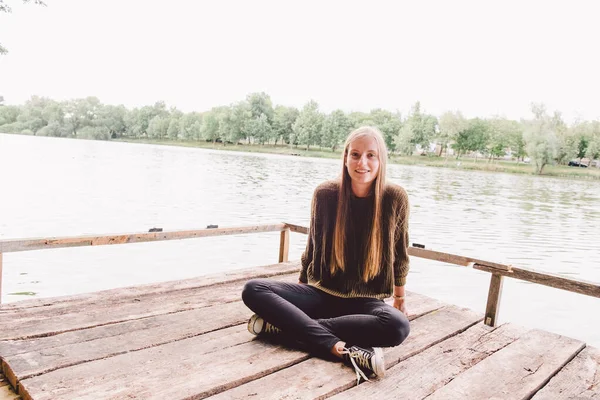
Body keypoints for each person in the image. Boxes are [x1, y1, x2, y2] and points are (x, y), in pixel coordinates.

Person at [242, 126, 411, 384]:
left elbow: (400, 252)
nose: (361, 162)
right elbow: (312, 246)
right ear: (345, 158)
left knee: (398, 326)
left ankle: (286, 326)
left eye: (370, 155)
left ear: (380, 161)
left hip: (365, 302)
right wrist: (299, 284)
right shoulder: (326, 194)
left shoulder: (395, 198)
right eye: (355, 154)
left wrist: (399, 297)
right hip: (321, 293)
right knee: (253, 289)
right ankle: (335, 346)